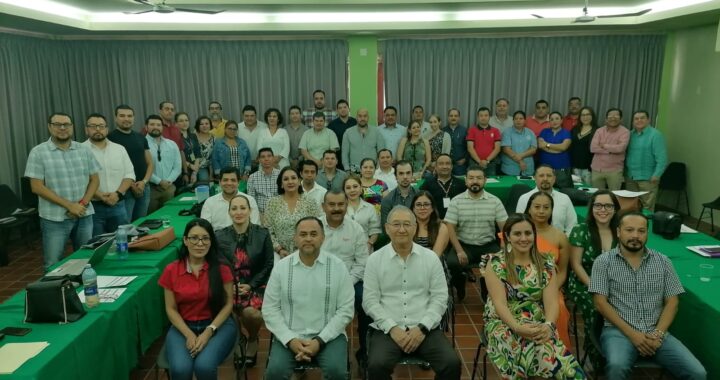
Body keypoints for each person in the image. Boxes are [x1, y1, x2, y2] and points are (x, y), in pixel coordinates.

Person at [590, 212, 707, 380]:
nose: (635, 236)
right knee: (617, 367)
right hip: (619, 332)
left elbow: (672, 302)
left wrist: (658, 334)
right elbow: (600, 303)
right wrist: (633, 335)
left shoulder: (663, 261)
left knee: (698, 373)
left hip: (656, 333)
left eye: (641, 231)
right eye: (629, 230)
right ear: (618, 232)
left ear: (647, 233)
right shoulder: (603, 262)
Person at [363, 206, 461, 380]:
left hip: (424, 327)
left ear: (415, 228)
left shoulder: (430, 258)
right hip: (388, 328)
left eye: (407, 224)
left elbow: (439, 298)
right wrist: (392, 328)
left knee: (451, 363)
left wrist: (422, 327)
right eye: (396, 224)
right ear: (387, 228)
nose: (402, 229)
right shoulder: (374, 260)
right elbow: (370, 301)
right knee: (376, 365)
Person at [484, 213, 585, 380]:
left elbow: (552, 303)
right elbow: (499, 303)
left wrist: (549, 326)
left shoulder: (546, 263)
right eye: (517, 234)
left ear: (534, 235)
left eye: (528, 233)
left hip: (537, 319)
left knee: (542, 344)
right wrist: (517, 327)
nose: (523, 238)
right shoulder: (496, 263)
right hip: (503, 321)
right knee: (534, 347)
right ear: (508, 236)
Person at [262, 217, 354, 380]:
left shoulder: (338, 267)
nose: (308, 239)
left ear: (323, 237)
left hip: (329, 336)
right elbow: (270, 309)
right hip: (290, 335)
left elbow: (345, 310)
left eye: (314, 234)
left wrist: (319, 341)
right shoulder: (281, 268)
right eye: (303, 234)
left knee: (336, 372)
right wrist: (290, 340)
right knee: (274, 372)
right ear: (295, 238)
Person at [158, 218, 237, 380]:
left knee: (204, 367)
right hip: (183, 326)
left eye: (205, 238)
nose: (200, 243)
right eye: (194, 238)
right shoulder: (171, 270)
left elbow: (228, 305)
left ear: (211, 241)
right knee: (180, 369)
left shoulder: (222, 268)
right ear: (185, 241)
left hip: (217, 325)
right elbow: (170, 309)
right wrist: (188, 334)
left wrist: (209, 331)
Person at [26, 112, 100, 271]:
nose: (62, 128)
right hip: (54, 219)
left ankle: (82, 292)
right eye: (57, 124)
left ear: (72, 127)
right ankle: (56, 295)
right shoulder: (38, 152)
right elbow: (36, 186)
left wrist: (81, 204)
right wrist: (69, 206)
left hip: (84, 215)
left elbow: (95, 180)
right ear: (49, 127)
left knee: (86, 260)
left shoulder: (83, 150)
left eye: (66, 124)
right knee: (53, 264)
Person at [215, 195, 274, 367]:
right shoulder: (219, 236)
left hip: (256, 283)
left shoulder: (262, 234)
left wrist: (251, 285)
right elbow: (217, 265)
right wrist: (229, 286)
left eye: (243, 208)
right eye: (234, 208)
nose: (238, 212)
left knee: (251, 314)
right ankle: (238, 339)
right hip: (229, 286)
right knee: (229, 313)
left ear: (250, 211)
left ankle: (253, 339)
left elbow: (268, 263)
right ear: (229, 212)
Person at [567, 190, 620, 372]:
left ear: (615, 209)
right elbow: (576, 264)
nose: (603, 210)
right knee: (596, 308)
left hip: (614, 282)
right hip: (584, 281)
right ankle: (597, 356)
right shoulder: (580, 230)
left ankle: (620, 351)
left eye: (608, 206)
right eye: (598, 205)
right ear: (591, 208)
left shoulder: (621, 230)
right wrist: (595, 287)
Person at [320, 191, 370, 365]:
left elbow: (362, 262)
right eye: (331, 205)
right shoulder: (315, 227)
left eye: (340, 204)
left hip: (351, 280)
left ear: (346, 205)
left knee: (366, 302)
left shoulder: (355, 228)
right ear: (323, 206)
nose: (336, 209)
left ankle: (365, 352)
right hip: (318, 280)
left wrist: (346, 283)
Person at [445, 166, 507, 300]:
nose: (475, 181)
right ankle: (459, 285)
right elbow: (450, 228)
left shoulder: (495, 201)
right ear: (466, 181)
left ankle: (486, 289)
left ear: (485, 180)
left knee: (501, 262)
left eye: (479, 178)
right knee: (452, 262)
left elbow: (505, 228)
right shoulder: (456, 201)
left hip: (488, 245)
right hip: (464, 245)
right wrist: (459, 250)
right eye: (471, 178)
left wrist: (502, 245)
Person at [523, 192, 572, 348]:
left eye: (546, 207)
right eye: (537, 207)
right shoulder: (518, 234)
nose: (541, 211)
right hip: (521, 285)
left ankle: (558, 354)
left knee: (560, 307)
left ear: (552, 210)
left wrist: (550, 290)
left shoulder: (560, 237)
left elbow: (563, 271)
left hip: (552, 287)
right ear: (529, 209)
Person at [82, 113, 135, 236]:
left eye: (101, 126)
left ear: (106, 129)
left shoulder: (119, 149)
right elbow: (79, 180)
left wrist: (117, 194)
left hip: (118, 204)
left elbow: (129, 174)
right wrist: (100, 195)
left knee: (122, 242)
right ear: (86, 129)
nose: (98, 129)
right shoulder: (79, 150)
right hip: (92, 207)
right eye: (93, 126)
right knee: (95, 245)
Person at [264, 167, 323, 259]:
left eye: (293, 178)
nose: (290, 182)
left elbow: (318, 227)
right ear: (281, 184)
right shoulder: (272, 203)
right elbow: (267, 230)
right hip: (278, 253)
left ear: (299, 181)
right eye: (286, 179)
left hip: (307, 251)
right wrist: (279, 249)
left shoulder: (310, 202)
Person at [108, 104, 153, 222]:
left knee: (141, 224)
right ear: (115, 118)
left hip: (143, 187)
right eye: (122, 116)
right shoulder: (109, 139)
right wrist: (131, 185)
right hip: (124, 190)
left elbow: (150, 163)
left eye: (129, 116)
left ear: (133, 118)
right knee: (126, 226)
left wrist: (143, 182)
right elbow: (110, 167)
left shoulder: (141, 137)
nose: (126, 119)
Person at [625, 110, 668, 211]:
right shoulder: (630, 135)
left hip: (648, 179)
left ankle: (646, 227)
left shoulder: (656, 135)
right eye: (636, 118)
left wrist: (657, 175)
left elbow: (662, 159)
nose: (639, 120)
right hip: (631, 178)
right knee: (631, 207)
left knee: (646, 208)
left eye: (642, 118)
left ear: (648, 120)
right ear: (633, 121)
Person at [515, 165, 578, 235]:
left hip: (559, 242)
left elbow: (572, 225)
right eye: (541, 176)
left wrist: (563, 241)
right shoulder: (524, 198)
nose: (545, 179)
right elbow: (519, 224)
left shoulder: (564, 198)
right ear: (534, 178)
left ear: (554, 179)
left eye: (549, 176)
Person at [146, 114, 182, 213]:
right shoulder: (142, 143)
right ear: (146, 127)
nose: (155, 127)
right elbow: (143, 168)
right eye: (152, 124)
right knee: (151, 220)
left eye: (158, 125)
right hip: (150, 189)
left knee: (169, 216)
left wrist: (168, 181)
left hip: (169, 188)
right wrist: (159, 181)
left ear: (162, 127)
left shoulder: (172, 144)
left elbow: (177, 167)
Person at [590, 108, 630, 190]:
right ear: (606, 119)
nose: (613, 117)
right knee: (597, 195)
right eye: (610, 115)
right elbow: (593, 148)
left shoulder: (625, 132)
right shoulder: (599, 131)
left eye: (616, 115)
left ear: (621, 119)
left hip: (614, 171)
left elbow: (620, 148)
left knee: (614, 197)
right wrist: (611, 151)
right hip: (597, 169)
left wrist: (604, 145)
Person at [420, 154, 466, 219]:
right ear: (435, 167)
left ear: (452, 166)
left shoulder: (461, 184)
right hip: (434, 223)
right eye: (441, 164)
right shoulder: (428, 184)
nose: (444, 166)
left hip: (457, 222)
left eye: (447, 164)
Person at [343, 176, 381, 252]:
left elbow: (375, 230)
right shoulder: (340, 208)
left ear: (361, 189)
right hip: (343, 249)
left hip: (365, 248)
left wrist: (370, 244)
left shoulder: (370, 208)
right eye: (348, 188)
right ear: (344, 191)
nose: (352, 190)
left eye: (355, 186)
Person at [341, 108, 385, 173]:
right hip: (354, 171)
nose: (362, 118)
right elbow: (344, 153)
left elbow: (381, 152)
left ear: (368, 117)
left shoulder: (376, 132)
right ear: (356, 117)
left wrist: (377, 169)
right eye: (360, 116)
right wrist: (347, 169)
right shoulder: (348, 132)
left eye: (365, 116)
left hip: (372, 170)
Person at [538, 111, 573, 188]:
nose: (554, 121)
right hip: (545, 168)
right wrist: (558, 149)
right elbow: (540, 145)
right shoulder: (544, 132)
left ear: (561, 120)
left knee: (563, 191)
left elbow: (563, 147)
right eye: (552, 119)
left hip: (561, 168)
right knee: (544, 191)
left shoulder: (566, 132)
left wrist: (547, 145)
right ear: (549, 121)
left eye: (557, 118)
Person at [380, 161, 418, 226]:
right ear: (395, 176)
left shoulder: (420, 196)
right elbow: (386, 228)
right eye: (401, 173)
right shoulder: (387, 200)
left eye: (408, 173)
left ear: (412, 174)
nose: (405, 177)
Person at [467, 107, 502, 176]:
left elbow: (497, 148)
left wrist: (486, 161)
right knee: (474, 183)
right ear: (478, 117)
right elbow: (470, 148)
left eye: (486, 115)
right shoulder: (472, 130)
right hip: (474, 163)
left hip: (491, 163)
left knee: (491, 185)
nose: (483, 118)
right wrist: (479, 161)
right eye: (481, 115)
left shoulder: (495, 131)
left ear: (489, 117)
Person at [500, 110, 537, 176]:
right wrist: (520, 161)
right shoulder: (507, 132)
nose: (518, 120)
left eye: (521, 118)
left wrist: (521, 156)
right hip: (510, 169)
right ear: (513, 120)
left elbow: (533, 150)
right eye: (516, 119)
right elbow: (506, 150)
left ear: (525, 120)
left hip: (528, 168)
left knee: (527, 186)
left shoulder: (530, 132)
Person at [246, 147, 280, 215]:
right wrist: (258, 215)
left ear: (273, 158)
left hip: (279, 213)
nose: (266, 159)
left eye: (269, 156)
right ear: (259, 160)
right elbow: (251, 201)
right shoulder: (253, 177)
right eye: (263, 157)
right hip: (260, 214)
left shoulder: (281, 175)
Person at [570, 107, 598, 185]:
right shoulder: (575, 129)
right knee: (576, 191)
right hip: (575, 166)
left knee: (588, 191)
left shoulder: (597, 130)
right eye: (583, 115)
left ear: (592, 116)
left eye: (588, 114)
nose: (585, 117)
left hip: (589, 168)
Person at [327, 99, 357, 164]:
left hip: (353, 154)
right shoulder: (332, 124)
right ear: (337, 111)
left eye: (345, 107)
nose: (343, 109)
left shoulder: (355, 122)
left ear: (349, 109)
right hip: (338, 156)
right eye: (340, 108)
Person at [176, 112, 201, 187]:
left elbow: (197, 153)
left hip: (195, 169)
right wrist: (190, 166)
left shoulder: (193, 136)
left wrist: (195, 171)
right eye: (181, 121)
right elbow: (177, 155)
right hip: (183, 170)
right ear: (176, 123)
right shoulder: (175, 137)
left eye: (186, 120)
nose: (184, 123)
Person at [443, 108, 468, 176]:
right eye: (451, 116)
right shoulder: (443, 131)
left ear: (459, 118)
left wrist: (465, 159)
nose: (453, 118)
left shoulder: (465, 130)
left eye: (455, 116)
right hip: (445, 165)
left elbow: (469, 148)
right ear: (448, 117)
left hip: (460, 166)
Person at [285, 105, 309, 170]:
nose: (295, 115)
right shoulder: (284, 130)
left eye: (297, 113)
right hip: (287, 162)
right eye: (292, 114)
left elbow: (308, 147)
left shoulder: (307, 130)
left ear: (300, 115)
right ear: (289, 116)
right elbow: (283, 147)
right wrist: (291, 160)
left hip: (303, 162)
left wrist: (298, 160)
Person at [192, 116, 215, 183]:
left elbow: (212, 157)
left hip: (210, 166)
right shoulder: (193, 137)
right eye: (201, 124)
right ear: (198, 126)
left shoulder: (214, 138)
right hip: (196, 166)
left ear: (210, 125)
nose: (204, 126)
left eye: (207, 124)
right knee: (204, 180)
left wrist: (211, 174)